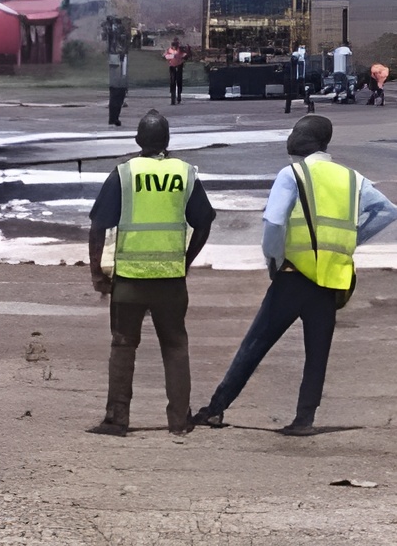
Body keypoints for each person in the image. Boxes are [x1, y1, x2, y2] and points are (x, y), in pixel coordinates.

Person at [192, 115, 397, 435]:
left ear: (311, 139)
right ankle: (304, 419)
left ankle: (216, 409)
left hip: (292, 274)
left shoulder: (292, 174)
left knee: (256, 344)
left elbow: (274, 223)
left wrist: (273, 259)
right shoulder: (352, 178)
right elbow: (387, 211)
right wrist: (349, 241)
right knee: (317, 352)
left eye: (296, 131)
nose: (291, 136)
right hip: (330, 279)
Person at [87, 110, 216, 436]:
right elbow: (205, 221)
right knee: (175, 346)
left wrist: (97, 273)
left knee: (123, 345)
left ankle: (116, 419)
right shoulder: (185, 174)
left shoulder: (125, 174)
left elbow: (98, 226)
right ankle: (179, 422)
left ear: (138, 141)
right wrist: (185, 260)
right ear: (167, 141)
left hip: (129, 280)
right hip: (171, 281)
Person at [163, 39, 188, 106]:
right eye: (174, 46)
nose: (175, 48)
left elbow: (185, 56)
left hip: (179, 66)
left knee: (179, 81)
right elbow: (164, 56)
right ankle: (173, 97)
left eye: (176, 46)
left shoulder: (181, 50)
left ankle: (179, 94)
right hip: (172, 67)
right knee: (172, 81)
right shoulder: (169, 50)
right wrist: (170, 56)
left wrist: (183, 58)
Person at [107, 49, 129, 127]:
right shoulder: (114, 56)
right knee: (114, 100)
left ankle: (115, 117)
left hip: (122, 83)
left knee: (119, 101)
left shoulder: (126, 58)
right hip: (115, 83)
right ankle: (113, 118)